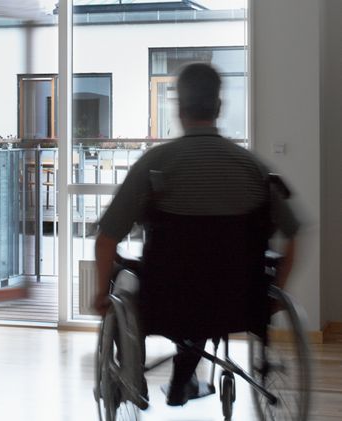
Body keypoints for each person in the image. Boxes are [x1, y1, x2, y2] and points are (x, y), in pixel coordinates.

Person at [94, 62, 300, 407]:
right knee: (209, 278)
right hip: (240, 300)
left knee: (124, 274)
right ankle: (183, 376)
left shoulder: (155, 163)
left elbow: (106, 239)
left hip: (165, 299)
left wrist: (101, 294)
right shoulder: (254, 167)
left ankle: (135, 377)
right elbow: (294, 235)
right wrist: (279, 292)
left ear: (179, 109)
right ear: (218, 107)